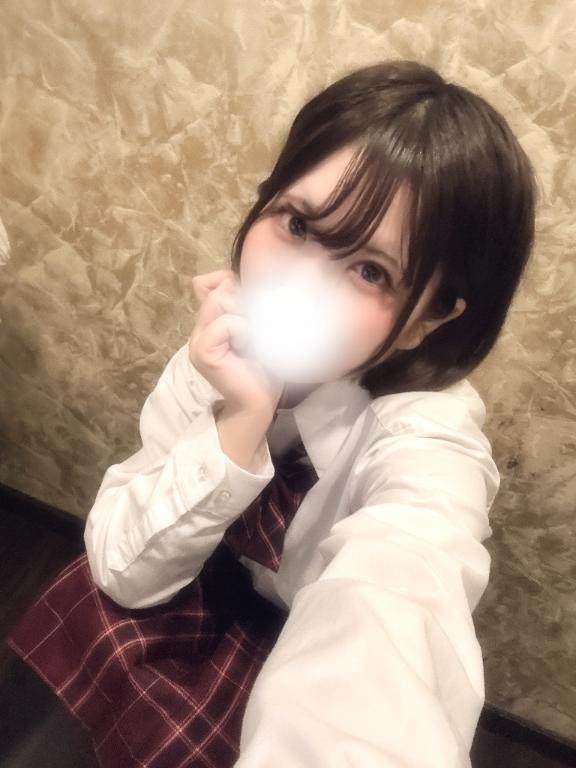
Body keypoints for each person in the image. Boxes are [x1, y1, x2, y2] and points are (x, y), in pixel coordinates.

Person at [6, 58, 537, 767]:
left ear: (429, 319)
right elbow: (121, 565)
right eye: (297, 223)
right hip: (197, 586)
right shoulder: (225, 348)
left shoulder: (428, 443)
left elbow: (402, 597)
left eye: (370, 270)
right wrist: (241, 419)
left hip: (295, 649)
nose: (298, 285)